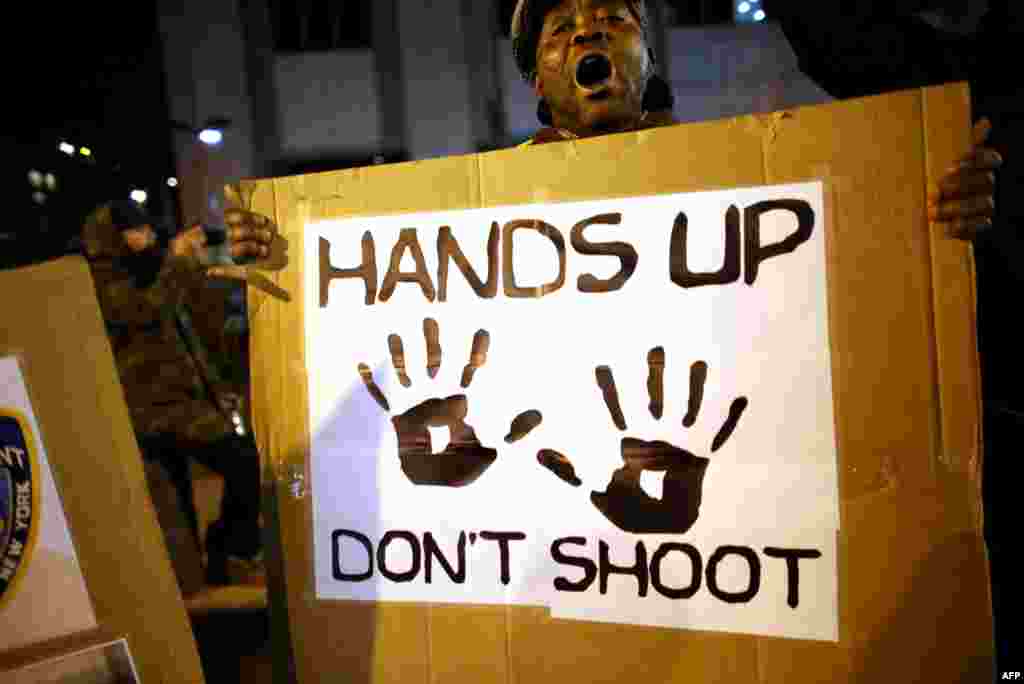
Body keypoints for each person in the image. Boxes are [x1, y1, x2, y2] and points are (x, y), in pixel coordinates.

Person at [81, 200, 262, 586]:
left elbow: (187, 335)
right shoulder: (99, 279)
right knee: (242, 462)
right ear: (114, 237)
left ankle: (214, 562)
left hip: (179, 402)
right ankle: (227, 551)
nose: (146, 236)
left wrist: (217, 390)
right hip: (152, 409)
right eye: (136, 230)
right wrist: (177, 262)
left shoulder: (149, 271)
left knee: (193, 489)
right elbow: (144, 313)